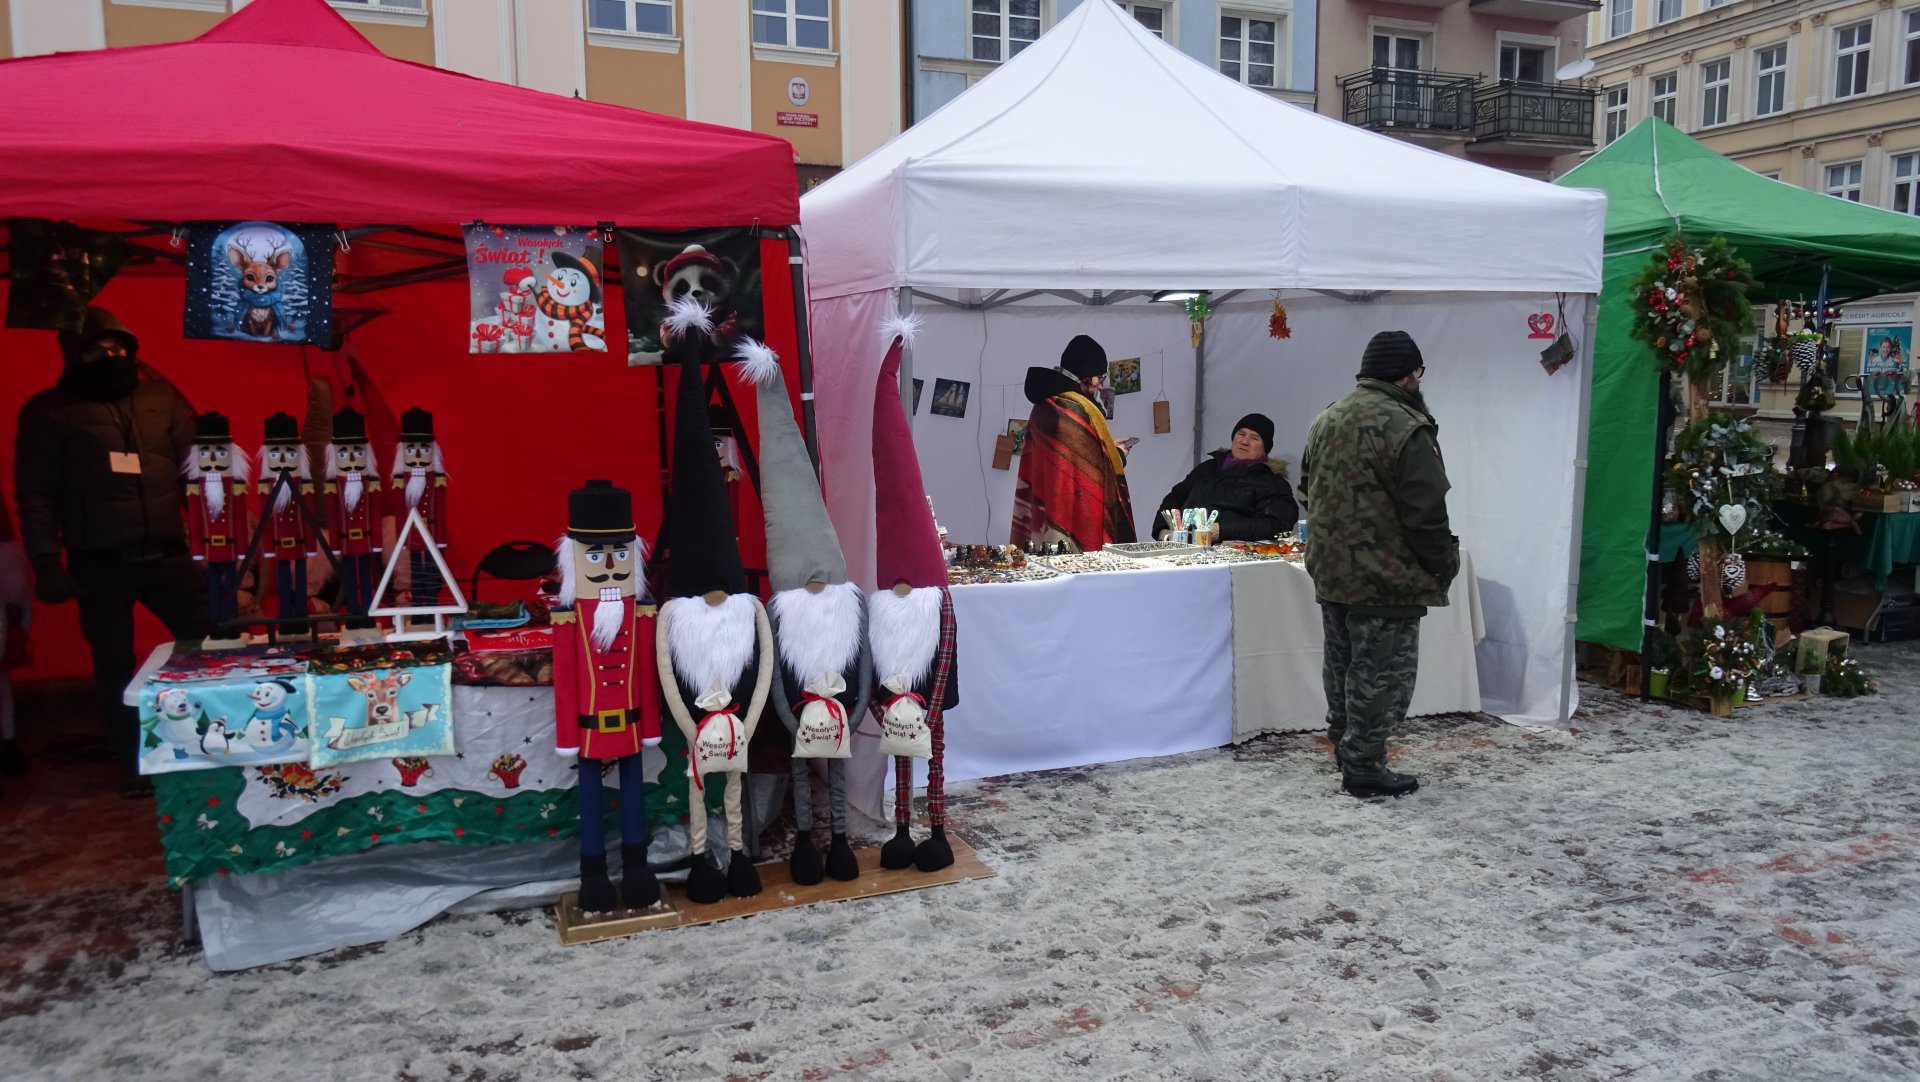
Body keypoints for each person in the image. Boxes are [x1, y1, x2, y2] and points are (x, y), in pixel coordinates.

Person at [14, 307, 206, 797]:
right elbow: (35, 494)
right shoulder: (47, 411)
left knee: (211, 645)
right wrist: (45, 562)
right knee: (114, 665)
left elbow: (197, 474)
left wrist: (213, 543)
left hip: (168, 553)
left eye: (120, 348)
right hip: (98, 561)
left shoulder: (159, 399)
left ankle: (215, 742)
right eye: (98, 350)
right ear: (75, 356)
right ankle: (133, 760)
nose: (112, 356)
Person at [1301, 330, 1458, 799]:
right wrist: (1442, 564)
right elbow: (1426, 512)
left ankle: (1344, 746)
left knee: (1342, 663)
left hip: (1332, 569)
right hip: (1386, 576)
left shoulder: (1326, 418)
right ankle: (1365, 766)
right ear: (1409, 375)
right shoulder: (1408, 426)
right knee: (1382, 674)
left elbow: (1307, 489)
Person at [1011, 334, 1137, 552]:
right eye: (1101, 378)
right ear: (1089, 377)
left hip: (1047, 507)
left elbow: (1081, 457)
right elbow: (1090, 470)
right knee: (1072, 565)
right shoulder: (1073, 409)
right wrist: (1117, 454)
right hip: (1070, 518)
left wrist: (1106, 449)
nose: (1100, 386)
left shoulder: (1046, 404)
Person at [1156, 413, 1298, 542]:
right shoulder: (1207, 468)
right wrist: (1162, 529)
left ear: (1264, 449)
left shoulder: (1271, 482)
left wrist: (1222, 530)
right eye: (1241, 434)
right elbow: (1174, 497)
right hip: (1183, 546)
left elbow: (1276, 525)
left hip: (1232, 553)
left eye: (1254, 438)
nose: (1245, 441)